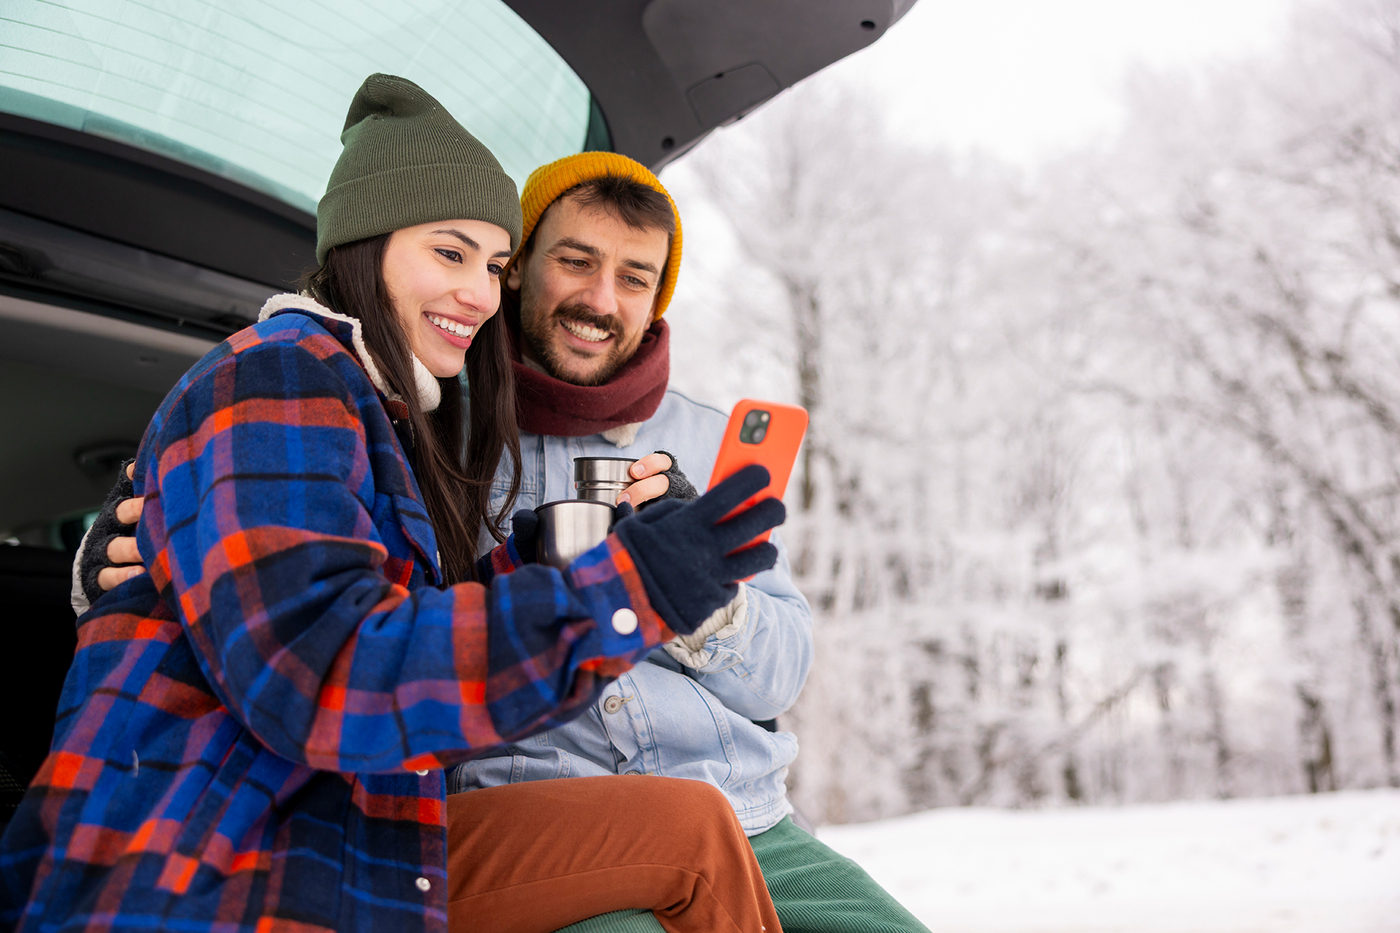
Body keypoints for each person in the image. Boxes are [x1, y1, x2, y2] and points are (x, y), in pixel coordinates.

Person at [0, 75, 787, 933]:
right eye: (450, 254)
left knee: (693, 824)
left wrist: (552, 550)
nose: (482, 295)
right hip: (216, 871)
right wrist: (630, 593)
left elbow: (385, 614)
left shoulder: (376, 409)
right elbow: (328, 673)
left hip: (362, 836)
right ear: (363, 247)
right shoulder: (276, 376)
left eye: (493, 265)